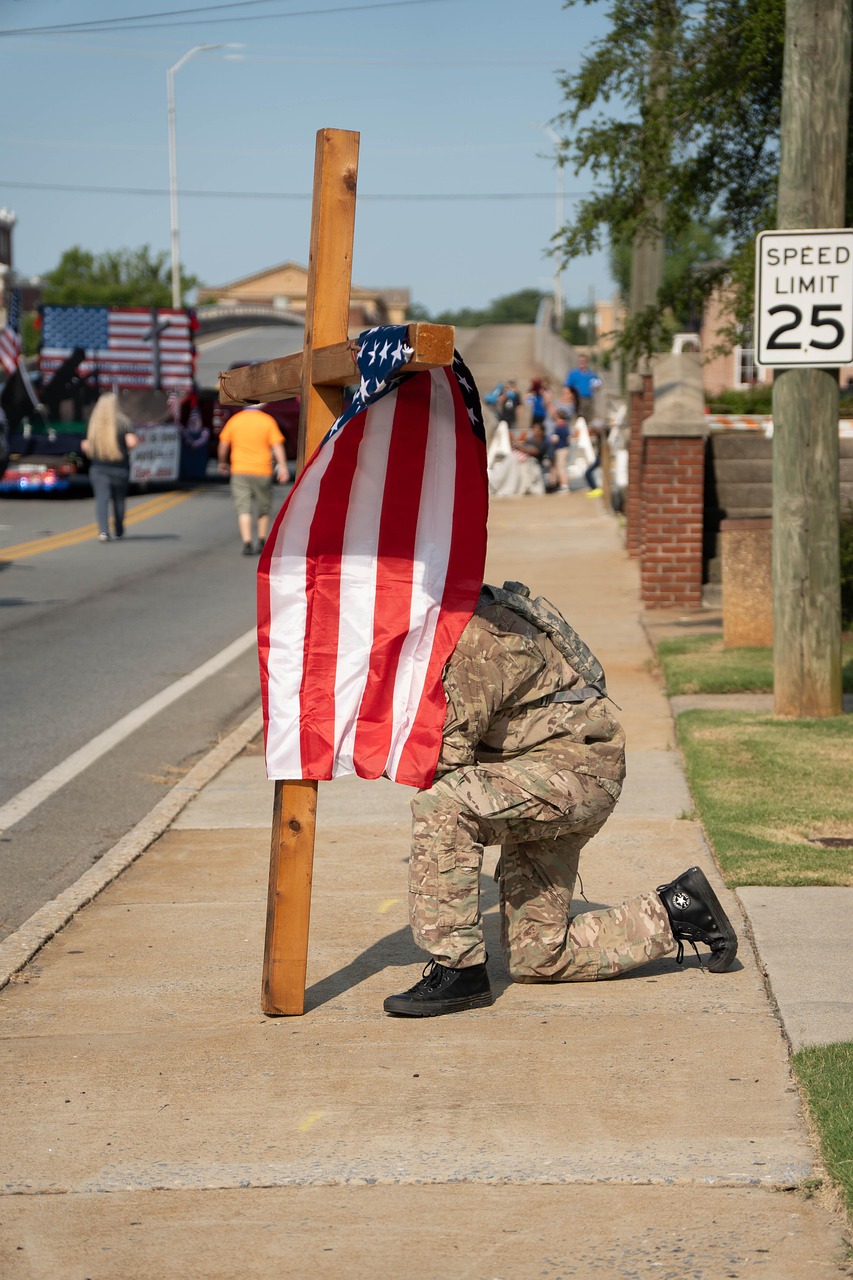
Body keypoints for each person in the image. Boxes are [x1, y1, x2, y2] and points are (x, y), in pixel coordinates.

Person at [384, 580, 737, 1016]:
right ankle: (678, 909)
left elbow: (443, 758)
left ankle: (459, 970)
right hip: (536, 774)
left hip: (573, 774)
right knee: (537, 958)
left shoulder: (473, 634)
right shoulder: (458, 620)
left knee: (444, 806)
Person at [217, 405, 289, 555]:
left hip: (240, 469)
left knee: (243, 507)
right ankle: (262, 541)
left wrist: (222, 462)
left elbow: (223, 445)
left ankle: (247, 543)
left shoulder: (235, 420)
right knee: (264, 506)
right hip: (262, 470)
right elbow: (277, 446)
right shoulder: (267, 421)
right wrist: (282, 466)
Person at [80, 392, 138, 543]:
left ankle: (103, 531)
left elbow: (85, 445)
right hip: (120, 467)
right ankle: (118, 530)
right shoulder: (123, 422)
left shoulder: (94, 423)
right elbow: (132, 442)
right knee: (119, 499)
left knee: (101, 499)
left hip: (98, 467)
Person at [565, 353, 602, 423]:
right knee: (579, 417)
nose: (582, 363)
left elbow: (597, 384)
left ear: (587, 363)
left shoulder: (591, 374)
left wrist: (596, 386)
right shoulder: (573, 373)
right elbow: (568, 386)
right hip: (578, 398)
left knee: (589, 417)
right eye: (580, 361)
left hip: (589, 398)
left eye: (584, 361)